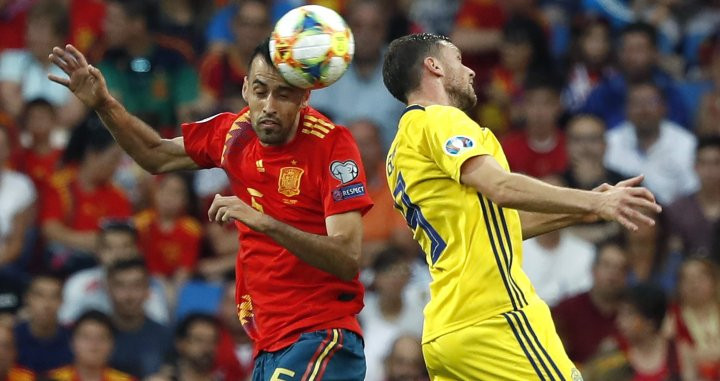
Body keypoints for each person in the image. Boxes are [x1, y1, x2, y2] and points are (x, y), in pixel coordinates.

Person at [49, 38, 373, 379]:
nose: (269, 106)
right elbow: (155, 154)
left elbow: (347, 256)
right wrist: (104, 104)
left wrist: (266, 223)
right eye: (261, 90)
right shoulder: (234, 132)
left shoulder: (332, 144)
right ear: (246, 88)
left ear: (304, 97)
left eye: (284, 94)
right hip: (268, 342)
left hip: (321, 334)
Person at [381, 33, 661, 380]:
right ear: (433, 66)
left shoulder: (398, 151)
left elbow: (495, 225)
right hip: (493, 314)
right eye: (457, 59)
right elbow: (499, 186)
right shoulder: (439, 120)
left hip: (446, 331)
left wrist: (583, 209)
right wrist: (597, 200)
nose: (470, 71)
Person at [604, 81, 699, 205]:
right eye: (637, 103)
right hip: (620, 214)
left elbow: (692, 191)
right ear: (625, 109)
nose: (644, 110)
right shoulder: (610, 142)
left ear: (664, 107)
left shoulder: (686, 143)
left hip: (673, 217)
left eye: (651, 102)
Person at [58, 220, 169, 326]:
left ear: (136, 251)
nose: (117, 254)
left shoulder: (151, 286)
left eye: (124, 247)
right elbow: (66, 324)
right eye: (110, 248)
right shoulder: (79, 283)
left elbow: (158, 331)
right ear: (99, 252)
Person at [552, 238, 629, 365]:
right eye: (607, 265)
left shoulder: (634, 312)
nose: (613, 274)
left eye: (620, 268)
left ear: (627, 276)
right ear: (593, 269)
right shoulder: (567, 309)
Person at [583, 283, 680, 381]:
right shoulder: (613, 353)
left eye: (628, 314)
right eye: (620, 313)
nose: (619, 321)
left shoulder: (679, 352)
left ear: (650, 321)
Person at [106, 258, 172, 379]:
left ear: (147, 290)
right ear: (109, 290)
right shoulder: (94, 334)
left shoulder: (164, 336)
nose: (129, 295)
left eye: (136, 286)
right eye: (121, 286)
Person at [665, 136, 720, 259]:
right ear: (695, 167)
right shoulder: (678, 209)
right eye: (704, 163)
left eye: (717, 163)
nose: (710, 170)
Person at [669, 257, 720, 381]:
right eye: (686, 279)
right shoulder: (672, 316)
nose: (693, 283)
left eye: (700, 277)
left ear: (714, 281)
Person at [47, 310, 134, 381]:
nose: (94, 344)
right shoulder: (53, 378)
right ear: (72, 343)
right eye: (86, 337)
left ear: (113, 345)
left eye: (101, 338)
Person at [14, 274, 72, 373]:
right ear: (27, 299)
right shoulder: (11, 338)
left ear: (62, 301)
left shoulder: (73, 341)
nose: (47, 304)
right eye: (40, 296)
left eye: (54, 297)